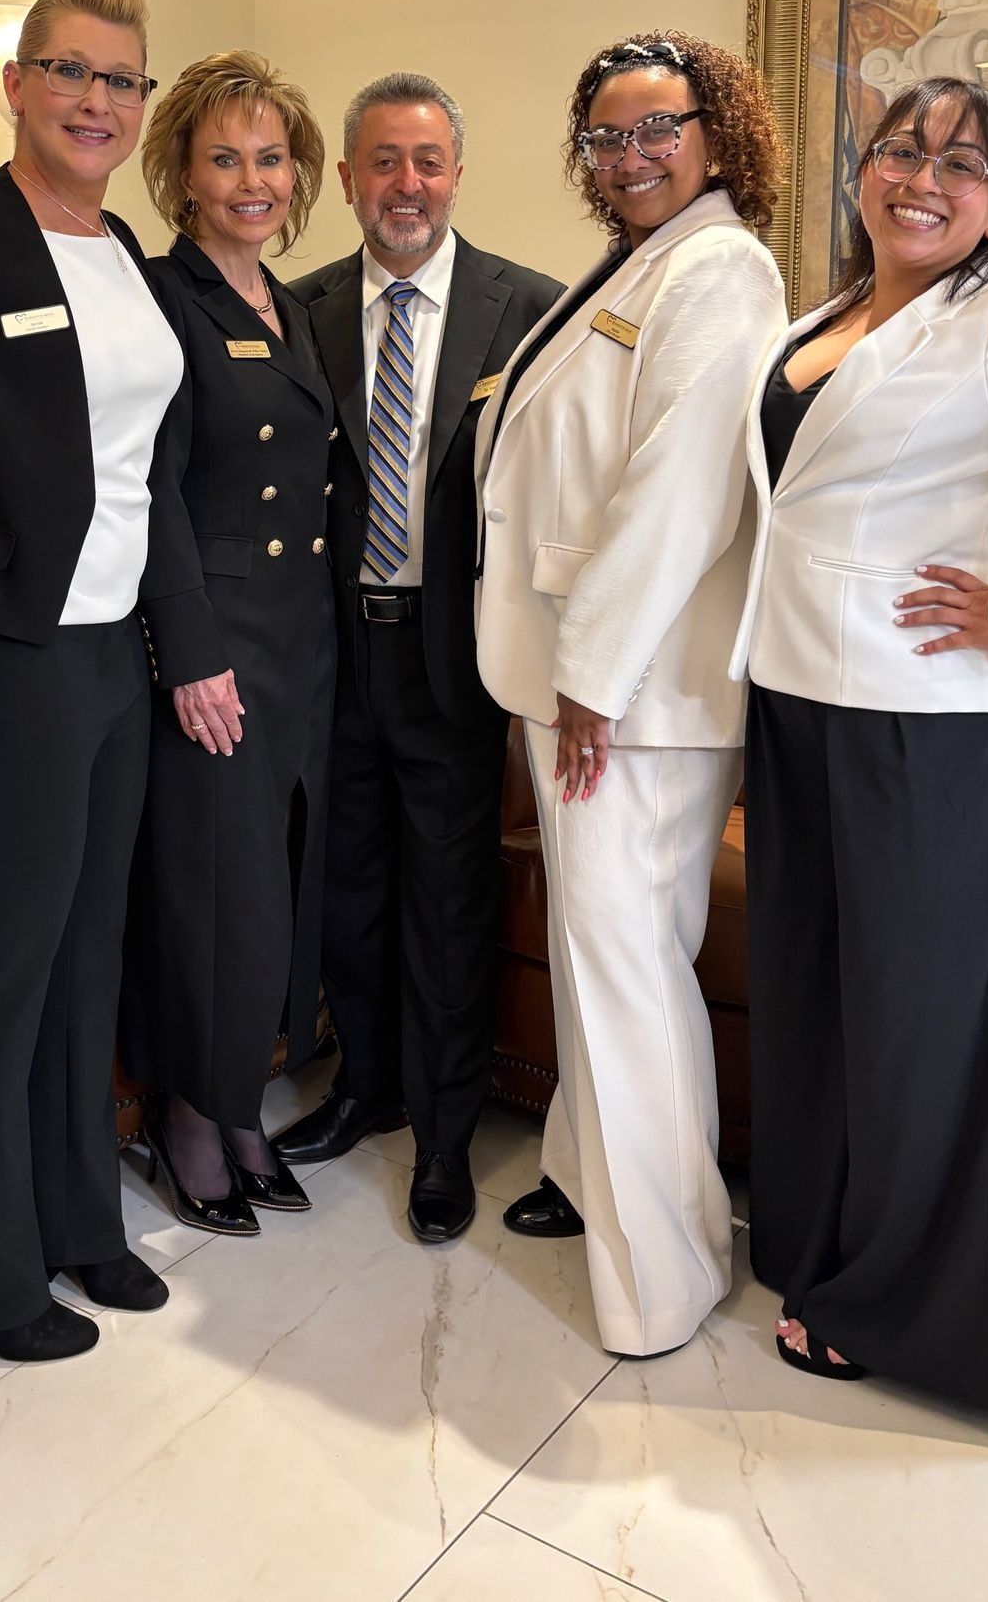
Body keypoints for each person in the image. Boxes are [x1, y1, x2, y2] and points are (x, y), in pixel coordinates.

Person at [733, 76, 988, 1419]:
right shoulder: (824, 318)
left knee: (913, 1032)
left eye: (959, 163)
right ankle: (817, 1251)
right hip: (799, 701)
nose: (920, 176)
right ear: (862, 169)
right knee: (822, 1006)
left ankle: (903, 1315)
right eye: (898, 148)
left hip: (937, 731)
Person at [0, 0, 226, 1357]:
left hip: (110, 655)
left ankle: (79, 1222)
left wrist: (178, 646)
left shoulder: (136, 263)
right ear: (17, 84)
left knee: (90, 952)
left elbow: (147, 478)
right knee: (4, 954)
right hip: (1, 651)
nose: (95, 100)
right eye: (69, 71)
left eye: (120, 80)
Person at [475, 32, 787, 1355]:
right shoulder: (632, 266)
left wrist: (591, 677)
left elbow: (673, 491)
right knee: (610, 950)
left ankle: (663, 1273)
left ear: (716, 133)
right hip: (582, 672)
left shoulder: (718, 267)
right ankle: (581, 1171)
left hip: (629, 691)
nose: (629, 155)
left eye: (657, 127)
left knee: (620, 969)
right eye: (604, 135)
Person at [276, 74, 562, 1242]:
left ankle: (444, 1136)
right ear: (345, 179)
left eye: (427, 160)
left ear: (457, 172)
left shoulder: (530, 313)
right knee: (344, 886)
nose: (406, 184)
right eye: (382, 162)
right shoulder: (294, 309)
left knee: (445, 900)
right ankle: (367, 1087)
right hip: (331, 652)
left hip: (454, 660)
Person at [123, 51, 335, 1233]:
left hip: (300, 644)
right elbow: (150, 490)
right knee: (218, 892)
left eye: (269, 156)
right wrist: (187, 650)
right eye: (224, 158)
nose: (250, 179)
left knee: (278, 889)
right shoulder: (165, 300)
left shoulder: (294, 307)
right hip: (214, 646)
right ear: (183, 175)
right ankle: (190, 1115)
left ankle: (240, 1103)